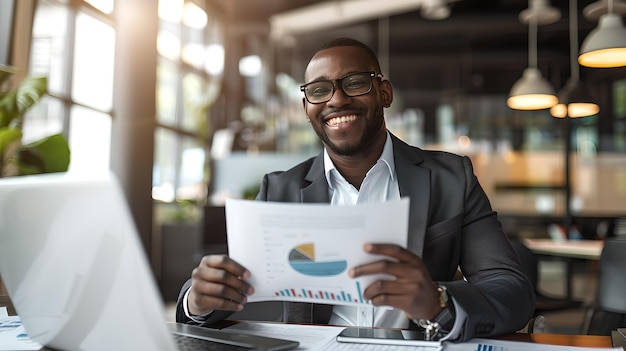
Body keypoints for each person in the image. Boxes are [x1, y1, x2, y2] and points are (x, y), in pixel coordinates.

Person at [176, 37, 535, 341]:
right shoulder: (280, 189)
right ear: (307, 108)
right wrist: (199, 300)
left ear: (385, 92)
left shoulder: (451, 178)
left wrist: (438, 302)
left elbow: (511, 290)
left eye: (355, 82)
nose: (336, 100)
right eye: (319, 90)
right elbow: (220, 289)